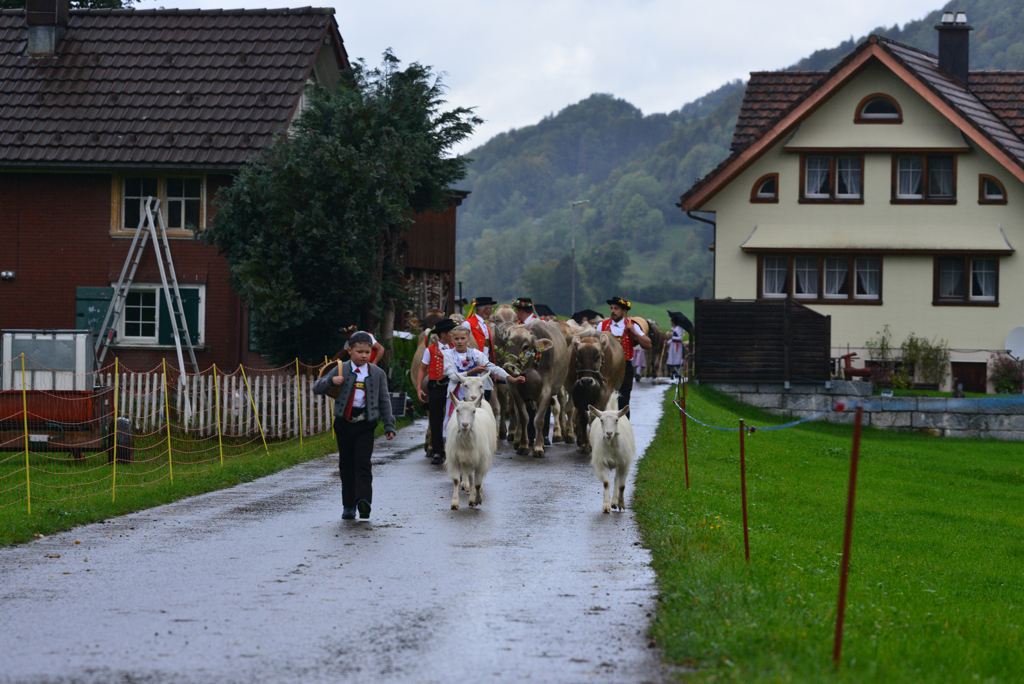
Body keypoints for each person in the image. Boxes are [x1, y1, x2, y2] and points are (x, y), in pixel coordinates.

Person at [313, 332, 395, 521]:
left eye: (367, 352)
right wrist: (330, 381)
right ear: (350, 351)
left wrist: (389, 425)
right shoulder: (340, 369)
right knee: (346, 464)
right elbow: (316, 388)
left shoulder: (377, 374)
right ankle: (349, 505)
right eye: (360, 352)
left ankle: (364, 501)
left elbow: (384, 400)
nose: (364, 355)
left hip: (366, 424)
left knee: (363, 463)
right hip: (343, 423)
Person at [443, 324, 524, 438]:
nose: (459, 341)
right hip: (457, 394)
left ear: (469, 339)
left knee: (481, 421)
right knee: (453, 423)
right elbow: (453, 377)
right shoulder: (448, 355)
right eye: (456, 339)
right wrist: (473, 371)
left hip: (476, 394)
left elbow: (492, 367)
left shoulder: (476, 354)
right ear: (452, 339)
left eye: (463, 338)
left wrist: (511, 378)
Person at [598, 296, 652, 411]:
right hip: (605, 367)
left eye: (616, 308)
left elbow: (648, 345)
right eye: (611, 308)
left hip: (625, 367)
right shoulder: (602, 326)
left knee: (623, 401)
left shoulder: (633, 325)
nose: (613, 311)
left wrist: (634, 332)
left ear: (624, 311)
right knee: (603, 400)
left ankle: (623, 426)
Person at [416, 319, 456, 466]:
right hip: (436, 386)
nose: (454, 335)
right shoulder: (430, 349)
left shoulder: (456, 348)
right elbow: (422, 369)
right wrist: (419, 387)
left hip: (453, 385)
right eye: (452, 332)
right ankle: (438, 451)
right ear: (443, 334)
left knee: (454, 417)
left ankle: (453, 450)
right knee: (435, 418)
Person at [465, 296, 496, 362]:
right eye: (491, 309)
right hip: (473, 362)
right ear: (486, 310)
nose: (491, 311)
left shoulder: (485, 324)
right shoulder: (467, 324)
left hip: (486, 362)